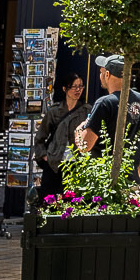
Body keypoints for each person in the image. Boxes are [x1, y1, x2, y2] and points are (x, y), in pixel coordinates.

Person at [74, 55, 140, 178]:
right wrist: (138, 171)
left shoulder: (104, 103)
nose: (100, 76)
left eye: (101, 72)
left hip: (105, 181)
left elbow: (85, 146)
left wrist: (78, 130)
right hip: (129, 180)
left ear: (107, 74)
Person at [31, 73, 88, 204]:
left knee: (72, 202)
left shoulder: (86, 111)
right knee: (49, 202)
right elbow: (40, 138)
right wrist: (45, 156)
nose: (78, 90)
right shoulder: (54, 111)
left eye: (80, 86)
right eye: (74, 87)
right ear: (64, 89)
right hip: (54, 164)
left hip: (76, 164)